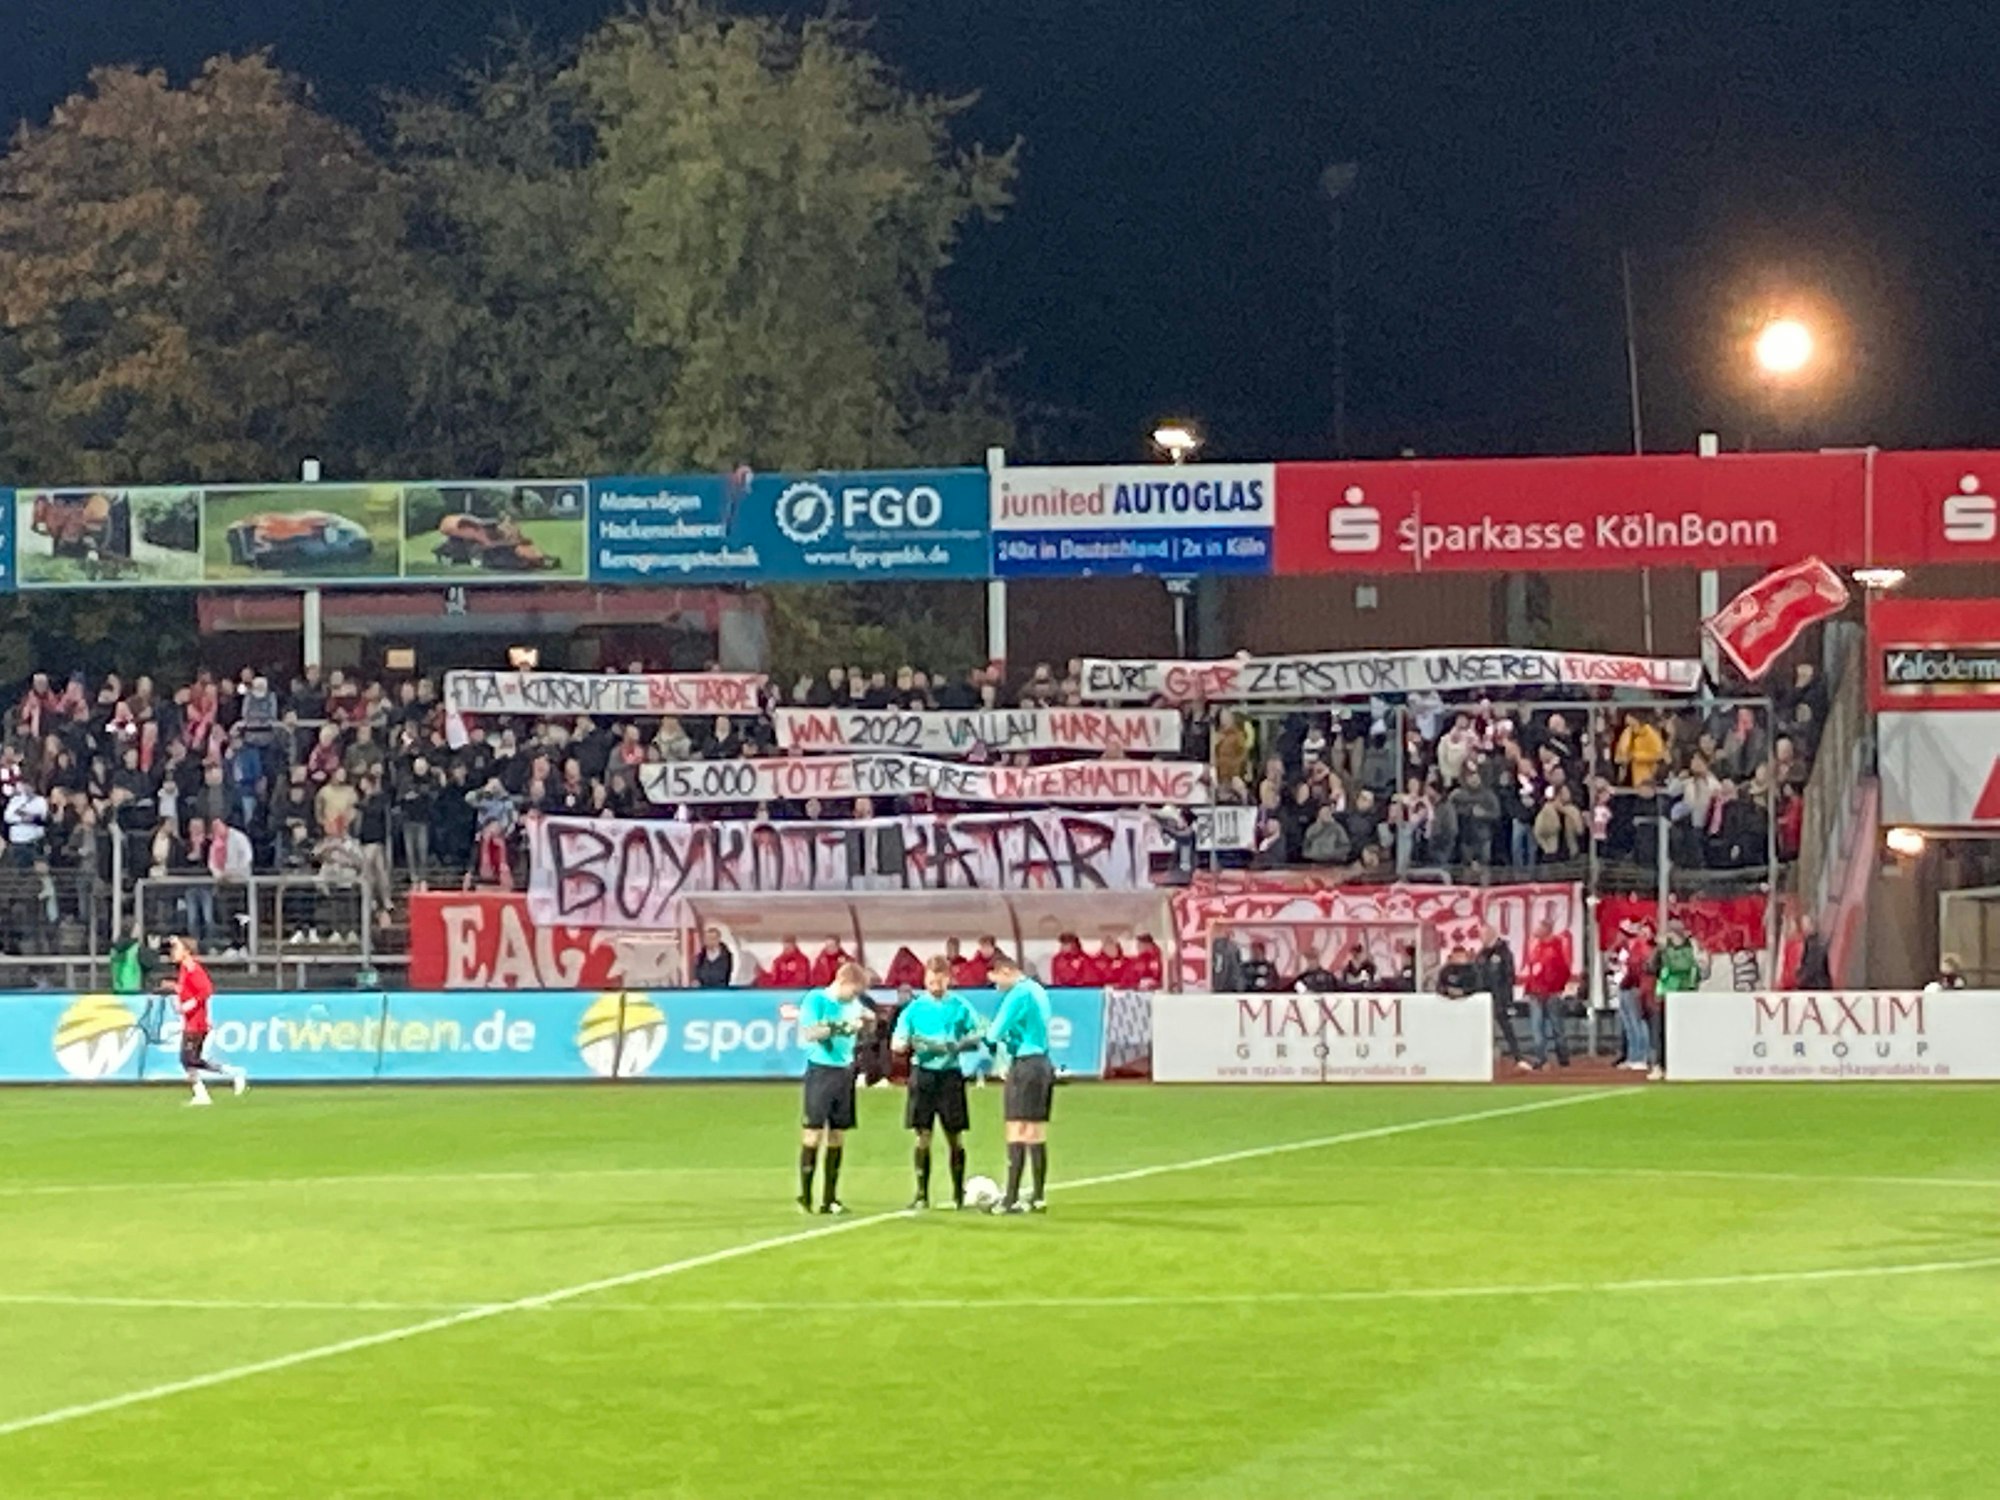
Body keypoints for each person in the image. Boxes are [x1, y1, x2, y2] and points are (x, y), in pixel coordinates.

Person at [891, 957, 983, 1209]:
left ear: (948, 978)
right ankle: (921, 1194)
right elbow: (897, 1043)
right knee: (923, 1135)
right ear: (925, 980)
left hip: (950, 1075)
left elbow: (978, 1033)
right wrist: (907, 1044)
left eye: (940, 980)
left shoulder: (960, 1006)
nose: (936, 985)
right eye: (931, 980)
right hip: (923, 1076)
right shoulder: (914, 1009)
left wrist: (959, 1044)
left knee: (955, 1136)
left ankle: (957, 1193)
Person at [796, 961, 872, 1215]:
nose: (855, 996)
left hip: (844, 1072)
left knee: (838, 1135)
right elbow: (810, 1032)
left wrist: (867, 1021)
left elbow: (865, 1019)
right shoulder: (816, 999)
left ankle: (830, 1198)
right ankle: (805, 1195)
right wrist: (841, 1027)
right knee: (813, 1133)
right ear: (843, 982)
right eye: (854, 990)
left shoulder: (853, 1004)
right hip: (821, 1071)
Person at [983, 953, 1055, 1214]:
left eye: (994, 980)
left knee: (1016, 1128)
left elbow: (994, 1033)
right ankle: (1038, 1196)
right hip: (1043, 1063)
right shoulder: (1038, 990)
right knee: (1036, 1130)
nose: (995, 986)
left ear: (1003, 971)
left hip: (1024, 1065)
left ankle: (1010, 1198)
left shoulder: (1017, 994)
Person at [168, 934, 245, 1107]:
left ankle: (231, 1073)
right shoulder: (184, 969)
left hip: (197, 1022)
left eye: (177, 949)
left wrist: (188, 1005)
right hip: (191, 1021)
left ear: (187, 952)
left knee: (190, 1059)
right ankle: (201, 1094)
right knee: (189, 1059)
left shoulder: (192, 968)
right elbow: (187, 989)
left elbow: (206, 990)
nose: (173, 952)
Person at [1650, 920, 1702, 1081]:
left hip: (1669, 993)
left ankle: (1660, 1065)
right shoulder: (1692, 947)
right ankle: (1675, 1064)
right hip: (1685, 993)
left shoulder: (1664, 948)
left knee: (1662, 1031)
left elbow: (1652, 967)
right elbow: (1699, 970)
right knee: (1678, 1031)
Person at [1522, 918, 1572, 1071]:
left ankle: (1563, 1058)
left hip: (1551, 993)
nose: (1535, 931)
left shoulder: (1556, 947)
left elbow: (1563, 971)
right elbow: (1533, 972)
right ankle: (1541, 1058)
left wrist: (1556, 988)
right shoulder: (1537, 947)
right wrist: (1529, 989)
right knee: (1537, 1028)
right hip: (1536, 993)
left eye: (1539, 928)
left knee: (1557, 1027)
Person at [1475, 924, 1526, 1068]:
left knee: (1506, 1027)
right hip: (1482, 998)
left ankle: (1518, 1057)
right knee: (1482, 1028)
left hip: (1499, 997)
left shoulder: (1503, 953)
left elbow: (1509, 977)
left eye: (1483, 935)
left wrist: (1507, 999)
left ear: (1491, 934)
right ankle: (1481, 1057)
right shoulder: (1481, 954)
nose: (1481, 938)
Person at [1616, 921, 1655, 1072]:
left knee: (1637, 1023)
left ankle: (1641, 1057)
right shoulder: (1629, 948)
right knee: (1629, 1025)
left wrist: (1629, 981)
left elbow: (1637, 970)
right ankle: (1633, 1057)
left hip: (1636, 988)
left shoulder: (1642, 948)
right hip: (1626, 986)